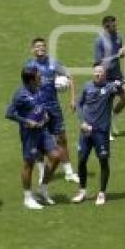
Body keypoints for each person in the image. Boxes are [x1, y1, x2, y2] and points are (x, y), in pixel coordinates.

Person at [5, 66, 62, 210]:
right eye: (38, 75)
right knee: (28, 164)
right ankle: (28, 197)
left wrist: (45, 115)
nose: (41, 77)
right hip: (29, 134)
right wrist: (26, 121)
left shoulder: (38, 89)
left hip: (43, 131)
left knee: (56, 156)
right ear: (31, 79)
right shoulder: (20, 94)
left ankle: (42, 188)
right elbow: (9, 113)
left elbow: (40, 106)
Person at [25, 38, 79, 184]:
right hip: (38, 109)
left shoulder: (53, 63)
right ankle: (42, 171)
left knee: (62, 138)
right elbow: (26, 88)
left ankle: (68, 172)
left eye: (43, 46)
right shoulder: (30, 66)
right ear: (32, 49)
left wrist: (73, 99)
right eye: (37, 46)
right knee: (39, 141)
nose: (40, 48)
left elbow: (70, 77)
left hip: (54, 107)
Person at [71, 65, 125, 206]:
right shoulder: (87, 86)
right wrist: (82, 122)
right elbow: (79, 105)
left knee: (103, 160)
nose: (97, 74)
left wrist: (120, 86)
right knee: (81, 160)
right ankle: (82, 191)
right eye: (95, 72)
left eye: (100, 72)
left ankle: (101, 193)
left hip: (101, 132)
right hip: (85, 131)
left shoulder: (109, 88)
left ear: (105, 74)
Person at [94, 15, 125, 140]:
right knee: (107, 104)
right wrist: (117, 56)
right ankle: (107, 131)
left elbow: (120, 53)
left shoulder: (118, 37)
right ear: (105, 26)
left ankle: (113, 117)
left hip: (117, 74)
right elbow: (98, 62)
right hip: (105, 76)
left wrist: (123, 53)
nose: (115, 27)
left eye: (116, 25)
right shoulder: (99, 41)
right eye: (113, 26)